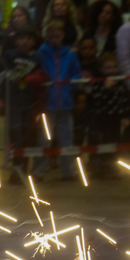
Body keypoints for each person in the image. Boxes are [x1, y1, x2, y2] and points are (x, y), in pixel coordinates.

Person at [0, 25, 45, 182]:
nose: (25, 41)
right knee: (14, 131)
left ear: (33, 41)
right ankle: (15, 167)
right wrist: (0, 98)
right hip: (13, 101)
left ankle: (21, 168)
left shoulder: (36, 59)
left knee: (25, 133)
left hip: (28, 101)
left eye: (28, 39)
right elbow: (0, 78)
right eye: (22, 38)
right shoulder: (9, 56)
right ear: (16, 41)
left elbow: (39, 79)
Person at [34, 18, 82, 180]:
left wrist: (69, 88)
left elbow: (76, 74)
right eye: (52, 36)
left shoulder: (70, 54)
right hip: (47, 104)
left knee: (66, 139)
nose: (55, 39)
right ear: (47, 35)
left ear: (63, 36)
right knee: (44, 140)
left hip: (65, 103)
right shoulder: (41, 53)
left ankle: (68, 172)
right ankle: (39, 170)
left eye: (58, 36)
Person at [85, 51, 130, 179]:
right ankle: (99, 169)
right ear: (101, 69)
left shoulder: (119, 81)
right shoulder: (98, 82)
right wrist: (105, 89)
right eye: (108, 68)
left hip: (116, 118)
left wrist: (126, 116)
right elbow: (96, 99)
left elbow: (125, 100)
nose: (112, 70)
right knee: (103, 143)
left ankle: (112, 168)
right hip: (102, 118)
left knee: (115, 143)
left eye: (114, 67)